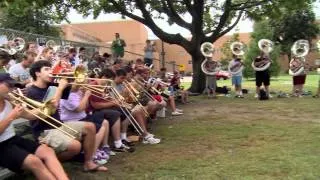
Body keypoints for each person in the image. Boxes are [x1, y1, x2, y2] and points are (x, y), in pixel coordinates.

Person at [26, 60, 107, 172]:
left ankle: (88, 163)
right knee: (76, 146)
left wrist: (77, 75)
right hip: (44, 131)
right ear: (37, 73)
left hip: (59, 125)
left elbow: (74, 89)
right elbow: (50, 109)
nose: (51, 72)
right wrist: (60, 88)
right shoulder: (32, 92)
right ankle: (46, 162)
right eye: (46, 69)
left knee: (90, 127)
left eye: (51, 68)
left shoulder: (51, 85)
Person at [0, 72, 69, 179]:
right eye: (9, 85)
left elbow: (30, 116)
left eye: (13, 86)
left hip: (12, 139)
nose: (12, 89)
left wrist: (46, 108)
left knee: (47, 151)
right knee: (34, 161)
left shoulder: (10, 101)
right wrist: (11, 116)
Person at [59, 84, 111, 164]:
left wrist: (83, 95)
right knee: (100, 128)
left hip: (83, 117)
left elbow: (86, 106)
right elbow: (79, 109)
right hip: (73, 121)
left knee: (105, 122)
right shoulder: (66, 94)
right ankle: (92, 155)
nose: (79, 84)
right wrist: (86, 96)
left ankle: (102, 148)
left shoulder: (78, 92)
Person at [88, 68, 136, 151]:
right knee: (115, 113)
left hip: (102, 108)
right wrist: (113, 103)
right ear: (103, 77)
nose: (108, 83)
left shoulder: (102, 86)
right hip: (94, 111)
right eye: (108, 81)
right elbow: (96, 105)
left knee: (126, 110)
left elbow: (104, 100)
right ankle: (117, 143)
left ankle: (122, 138)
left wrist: (115, 101)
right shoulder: (94, 85)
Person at [114, 69, 161, 144]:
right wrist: (126, 93)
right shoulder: (112, 85)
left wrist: (129, 93)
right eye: (121, 78)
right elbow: (117, 99)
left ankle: (145, 135)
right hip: (119, 108)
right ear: (116, 76)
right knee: (138, 110)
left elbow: (126, 98)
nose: (123, 80)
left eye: (124, 78)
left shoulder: (121, 84)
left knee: (140, 109)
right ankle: (145, 135)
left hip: (125, 106)